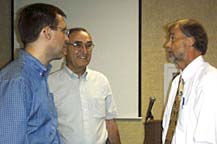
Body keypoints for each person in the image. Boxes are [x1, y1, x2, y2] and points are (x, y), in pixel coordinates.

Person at [0, 3, 69, 144]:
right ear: (46, 32)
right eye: (64, 31)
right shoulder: (17, 80)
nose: (67, 39)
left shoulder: (38, 77)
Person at [48, 27, 121, 144]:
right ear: (65, 49)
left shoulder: (101, 81)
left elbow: (110, 123)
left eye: (88, 45)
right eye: (77, 45)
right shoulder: (50, 84)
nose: (84, 51)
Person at [162, 18, 217, 144]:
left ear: (190, 41)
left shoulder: (210, 80)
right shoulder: (177, 82)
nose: (167, 45)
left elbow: (207, 139)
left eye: (172, 38)